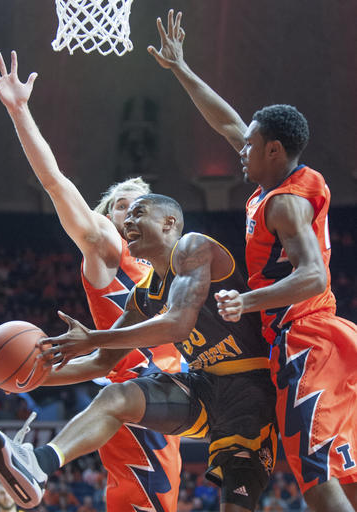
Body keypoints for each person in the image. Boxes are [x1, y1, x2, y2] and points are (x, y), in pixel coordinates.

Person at [148, 10, 357, 511]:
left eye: (250, 145)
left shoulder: (285, 203)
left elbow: (312, 275)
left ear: (274, 149)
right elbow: (226, 120)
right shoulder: (276, 182)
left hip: (307, 337)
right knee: (339, 470)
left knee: (316, 472)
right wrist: (181, 68)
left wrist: (246, 299)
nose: (240, 149)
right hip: (320, 338)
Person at [0, 193, 277, 512]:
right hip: (205, 388)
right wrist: (26, 377)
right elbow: (102, 360)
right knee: (116, 397)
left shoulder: (193, 247)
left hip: (251, 392)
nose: (127, 221)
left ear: (169, 223)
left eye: (138, 213)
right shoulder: (143, 292)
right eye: (126, 216)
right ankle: (38, 464)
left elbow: (178, 324)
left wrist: (93, 338)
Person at [0, 50, 182, 512]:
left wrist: (36, 376)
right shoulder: (107, 251)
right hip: (137, 396)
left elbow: (95, 363)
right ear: (105, 220)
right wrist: (20, 110)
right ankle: (38, 462)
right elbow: (55, 182)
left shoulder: (176, 272)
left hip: (175, 394)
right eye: (120, 207)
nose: (131, 213)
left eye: (141, 206)